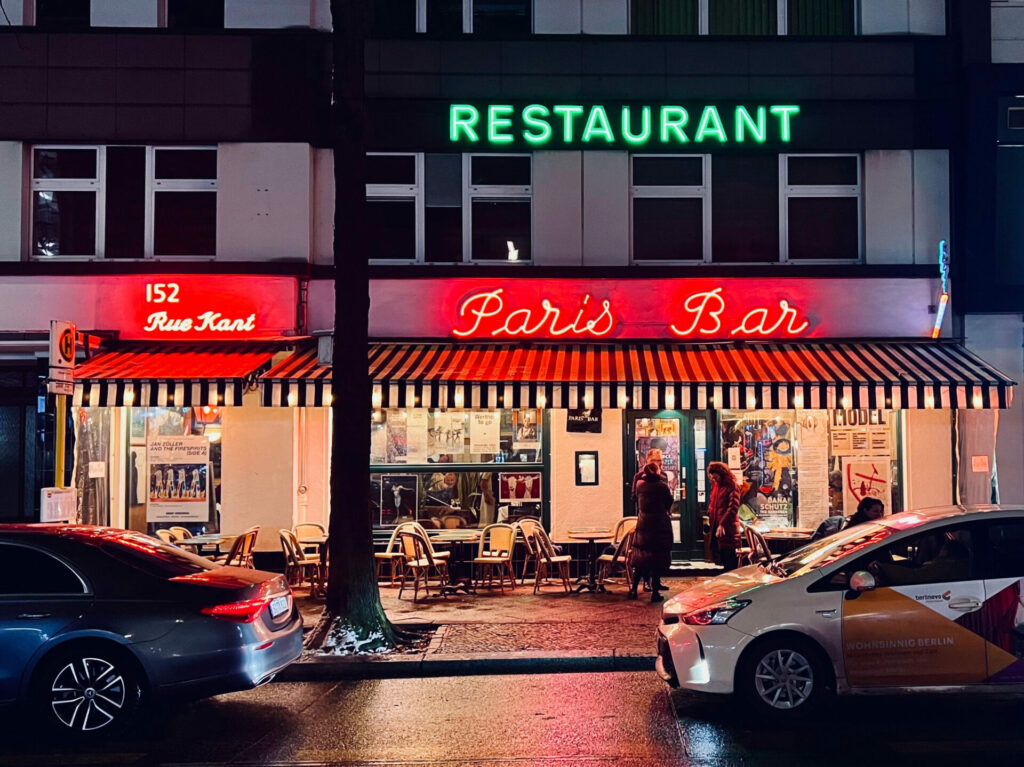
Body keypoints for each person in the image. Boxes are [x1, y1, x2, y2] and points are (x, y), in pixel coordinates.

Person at [630, 461, 674, 602]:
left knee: (641, 557)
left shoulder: (639, 485)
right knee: (657, 559)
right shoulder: (661, 486)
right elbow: (669, 501)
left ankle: (633, 589)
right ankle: (655, 592)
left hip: (643, 524)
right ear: (657, 471)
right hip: (659, 525)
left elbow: (634, 498)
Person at [707, 461, 742, 571]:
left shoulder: (731, 486)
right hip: (717, 526)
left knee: (729, 556)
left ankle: (732, 584)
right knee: (722, 556)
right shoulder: (716, 485)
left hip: (728, 527)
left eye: (715, 475)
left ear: (721, 473)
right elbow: (713, 503)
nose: (713, 477)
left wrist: (722, 524)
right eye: (711, 475)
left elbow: (733, 508)